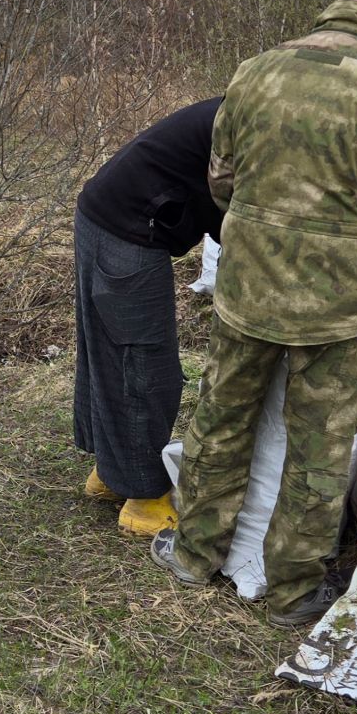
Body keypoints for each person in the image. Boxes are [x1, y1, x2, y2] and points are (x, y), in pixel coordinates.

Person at [150, 0, 357, 628]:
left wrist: (263, 229)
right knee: (318, 445)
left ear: (345, 3)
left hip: (247, 287)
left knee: (223, 416)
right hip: (335, 304)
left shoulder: (257, 69)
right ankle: (292, 591)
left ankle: (195, 553)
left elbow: (222, 180)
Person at [73, 97, 225, 537]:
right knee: (143, 364)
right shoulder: (248, 123)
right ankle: (142, 499)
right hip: (126, 232)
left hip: (107, 217)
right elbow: (236, 211)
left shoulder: (238, 109)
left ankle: (110, 472)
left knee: (107, 351)